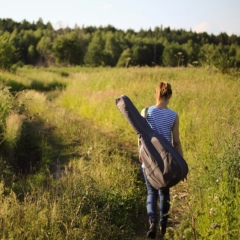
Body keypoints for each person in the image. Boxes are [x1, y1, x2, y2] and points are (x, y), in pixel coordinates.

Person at [139, 82, 183, 239]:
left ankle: (152, 222)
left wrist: (141, 152)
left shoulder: (146, 111)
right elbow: (176, 142)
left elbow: (141, 135)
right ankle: (163, 225)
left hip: (149, 159)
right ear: (169, 96)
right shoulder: (173, 115)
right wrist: (181, 162)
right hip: (166, 162)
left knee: (151, 193)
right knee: (164, 193)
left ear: (156, 94)